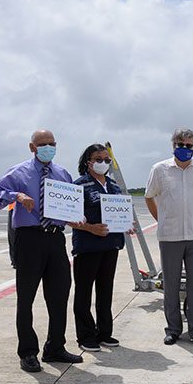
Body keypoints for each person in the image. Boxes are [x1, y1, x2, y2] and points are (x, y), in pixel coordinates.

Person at [0, 130, 85, 373]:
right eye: (42, 144)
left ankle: (55, 347)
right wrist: (17, 195)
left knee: (60, 293)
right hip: (29, 238)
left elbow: (71, 204)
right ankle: (28, 351)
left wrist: (77, 216)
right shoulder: (18, 172)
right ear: (32, 147)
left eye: (51, 144)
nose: (47, 148)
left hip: (55, 238)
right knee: (26, 298)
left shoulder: (63, 174)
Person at [145, 128, 193, 348]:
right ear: (173, 145)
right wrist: (161, 218)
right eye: (180, 144)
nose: (184, 148)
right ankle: (173, 329)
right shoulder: (160, 170)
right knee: (171, 285)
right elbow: (149, 197)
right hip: (170, 236)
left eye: (189, 145)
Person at [72, 144, 131, 352]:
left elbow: (121, 213)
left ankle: (104, 332)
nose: (103, 163)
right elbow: (70, 218)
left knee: (105, 291)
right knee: (84, 293)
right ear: (88, 162)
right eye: (98, 159)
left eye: (106, 159)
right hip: (88, 247)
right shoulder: (79, 185)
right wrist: (90, 228)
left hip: (110, 246)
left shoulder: (113, 186)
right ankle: (86, 336)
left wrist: (126, 225)